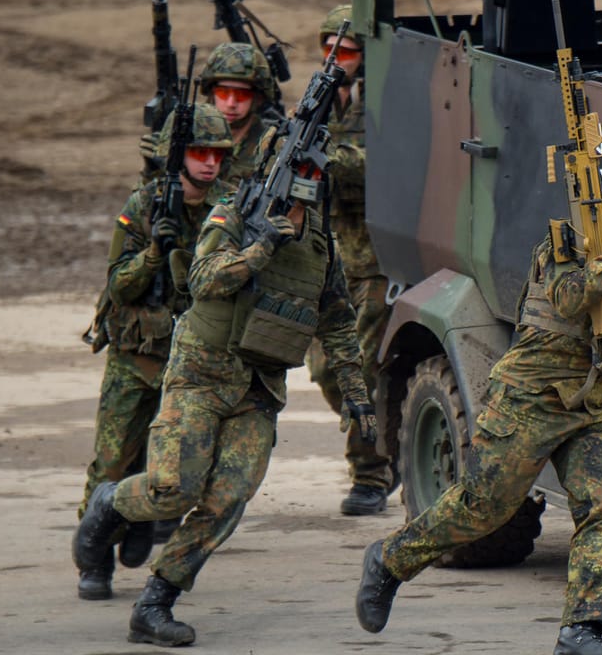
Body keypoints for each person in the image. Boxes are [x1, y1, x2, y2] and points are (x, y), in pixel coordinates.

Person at [354, 148, 602, 655]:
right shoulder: (570, 241)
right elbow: (567, 299)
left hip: (589, 406)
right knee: (481, 511)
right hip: (529, 400)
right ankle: (389, 559)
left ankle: (581, 632)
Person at [72, 144, 378, 646]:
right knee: (175, 488)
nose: (307, 181)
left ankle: (155, 602)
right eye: (298, 171)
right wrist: (261, 250)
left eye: (314, 173)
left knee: (228, 498)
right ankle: (110, 503)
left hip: (258, 388)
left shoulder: (322, 244)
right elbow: (202, 280)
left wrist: (356, 395)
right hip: (200, 374)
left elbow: (339, 323)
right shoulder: (233, 213)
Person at [77, 104, 235, 601]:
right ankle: (95, 559)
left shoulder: (228, 207)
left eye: (217, 153)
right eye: (197, 152)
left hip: (190, 361)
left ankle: (140, 521)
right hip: (134, 356)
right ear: (176, 155)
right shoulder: (143, 205)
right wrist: (152, 254)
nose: (209, 163)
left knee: (175, 467)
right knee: (112, 460)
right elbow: (119, 288)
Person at [304, 3, 398, 516]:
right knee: (323, 369)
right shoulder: (320, 101)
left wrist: (330, 160)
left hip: (376, 259)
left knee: (360, 368)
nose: (337, 59)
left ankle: (372, 472)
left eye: (348, 51)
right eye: (330, 50)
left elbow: (390, 164)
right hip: (327, 257)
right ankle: (387, 444)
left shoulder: (385, 103)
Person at [198, 41, 282, 185]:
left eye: (242, 95)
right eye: (223, 93)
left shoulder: (272, 148)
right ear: (212, 93)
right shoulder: (192, 138)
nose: (231, 104)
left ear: (258, 98)